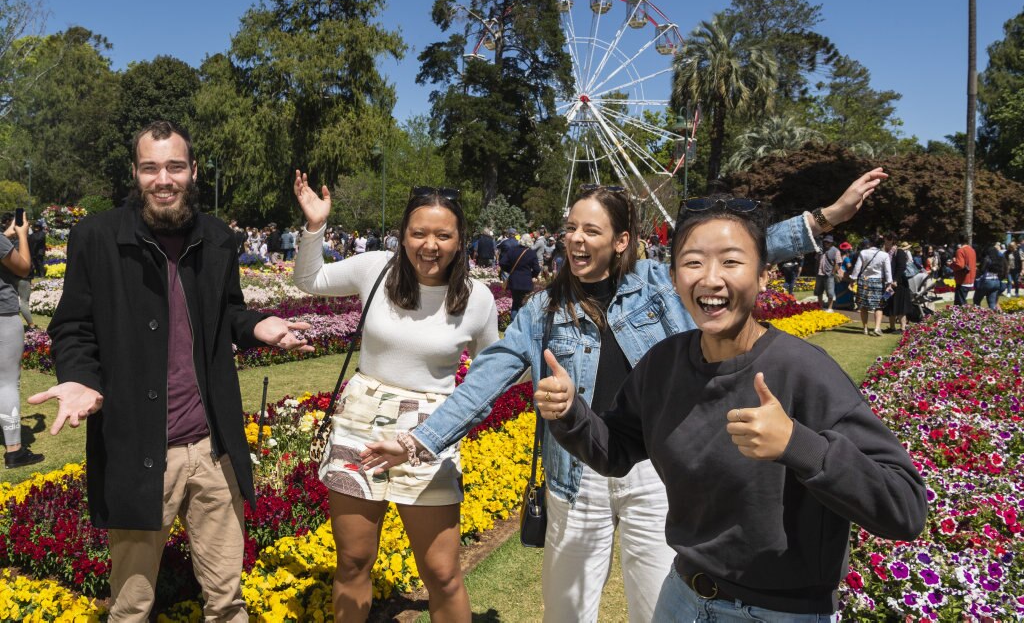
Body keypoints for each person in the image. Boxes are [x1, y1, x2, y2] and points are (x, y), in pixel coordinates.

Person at [361, 170, 889, 623]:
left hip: (656, 467)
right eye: (570, 228)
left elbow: (744, 248)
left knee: (658, 597)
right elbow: (486, 378)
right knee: (567, 607)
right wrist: (418, 442)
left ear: (621, 241)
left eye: (592, 230)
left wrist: (827, 216)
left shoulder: (661, 285)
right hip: (578, 466)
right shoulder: (544, 310)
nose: (576, 239)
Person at [532, 197, 927, 620]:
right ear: (673, 277)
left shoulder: (803, 372)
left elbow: (904, 507)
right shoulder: (664, 365)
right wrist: (571, 413)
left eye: (732, 262)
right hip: (682, 599)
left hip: (779, 612)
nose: (711, 279)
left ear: (762, 276)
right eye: (694, 262)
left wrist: (799, 444)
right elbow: (615, 450)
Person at [29, 120, 311, 620]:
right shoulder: (97, 238)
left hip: (212, 446)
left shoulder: (218, 237)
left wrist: (255, 326)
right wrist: (80, 377)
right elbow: (72, 326)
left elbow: (224, 311)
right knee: (132, 605)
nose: (164, 179)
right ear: (135, 174)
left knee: (227, 601)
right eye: (151, 168)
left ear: (193, 171)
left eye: (175, 167)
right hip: (139, 446)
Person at [292, 174, 498, 622]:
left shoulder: (477, 299)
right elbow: (310, 279)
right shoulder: (376, 269)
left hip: (430, 432)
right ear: (402, 235)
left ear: (460, 240)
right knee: (353, 561)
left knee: (441, 572)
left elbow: (489, 374)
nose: (430, 245)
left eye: (443, 235)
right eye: (419, 233)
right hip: (360, 422)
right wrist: (315, 227)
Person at [1, 211, 42, 469]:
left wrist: (7, 236)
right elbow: (25, 266)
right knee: (6, 384)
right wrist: (22, 235)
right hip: (2, 316)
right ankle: (15, 450)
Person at [849, 235, 893, 336]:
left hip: (864, 281)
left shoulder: (863, 252)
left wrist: (852, 280)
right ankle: (877, 328)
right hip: (878, 281)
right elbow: (887, 271)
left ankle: (865, 328)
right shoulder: (884, 255)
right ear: (881, 244)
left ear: (870, 243)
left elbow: (857, 268)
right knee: (879, 306)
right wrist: (889, 284)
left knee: (863, 305)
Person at [500, 232, 541, 321]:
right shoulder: (531, 253)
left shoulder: (512, 250)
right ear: (530, 242)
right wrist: (532, 275)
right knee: (524, 304)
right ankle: (522, 324)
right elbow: (537, 269)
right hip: (526, 282)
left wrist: (510, 270)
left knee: (515, 303)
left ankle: (513, 323)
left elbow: (502, 262)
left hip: (514, 281)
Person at [884, 238, 914, 333]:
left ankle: (902, 328)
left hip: (899, 283)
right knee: (890, 304)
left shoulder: (899, 252)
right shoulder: (888, 253)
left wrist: (895, 279)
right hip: (889, 283)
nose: (885, 243)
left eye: (886, 241)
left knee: (901, 305)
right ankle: (892, 327)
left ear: (892, 241)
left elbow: (902, 267)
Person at [814, 234, 841, 312]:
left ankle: (830, 308)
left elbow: (838, 263)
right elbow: (816, 260)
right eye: (825, 241)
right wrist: (816, 271)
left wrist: (833, 272)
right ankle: (820, 306)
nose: (826, 243)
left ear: (831, 242)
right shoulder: (820, 250)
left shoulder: (836, 250)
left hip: (829, 274)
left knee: (830, 292)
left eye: (828, 242)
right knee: (819, 291)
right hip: (819, 273)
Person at [973, 243, 1004, 310]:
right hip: (996, 281)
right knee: (992, 303)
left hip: (986, 281)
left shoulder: (987, 258)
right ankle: (994, 318)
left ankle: (977, 316)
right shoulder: (998, 259)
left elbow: (982, 270)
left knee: (976, 301)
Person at [951, 237, 976, 306]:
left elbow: (960, 265)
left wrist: (951, 265)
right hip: (970, 278)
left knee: (960, 304)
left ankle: (966, 316)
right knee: (960, 302)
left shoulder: (960, 250)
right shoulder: (972, 250)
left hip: (962, 279)